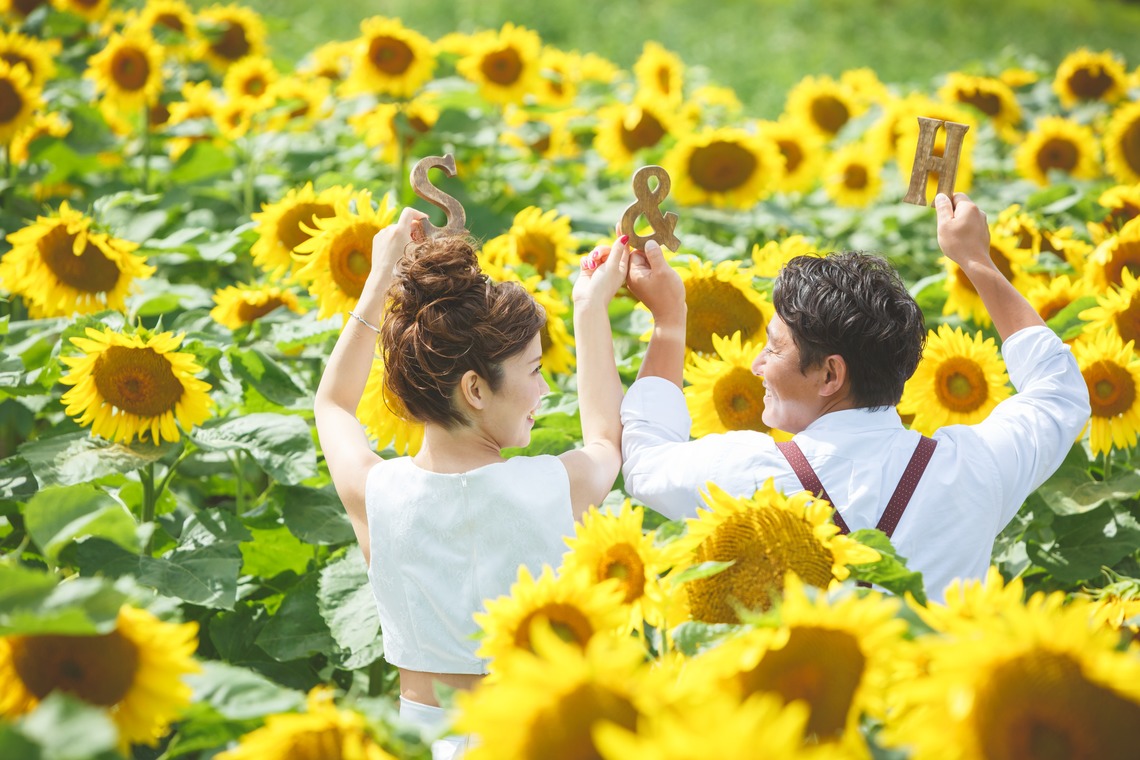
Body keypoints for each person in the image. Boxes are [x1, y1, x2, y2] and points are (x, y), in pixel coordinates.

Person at [620, 192, 1091, 602]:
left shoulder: (747, 475)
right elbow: (1059, 392)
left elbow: (644, 461)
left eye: (774, 348)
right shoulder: (971, 467)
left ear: (830, 374)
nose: (757, 365)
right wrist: (976, 261)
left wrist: (668, 319)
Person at [313, 208, 630, 757]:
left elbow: (333, 403)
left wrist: (379, 281)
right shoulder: (554, 485)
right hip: (531, 739)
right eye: (534, 371)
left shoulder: (378, 493)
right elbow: (606, 438)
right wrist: (589, 307)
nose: (543, 392)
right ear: (476, 390)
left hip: (420, 741)